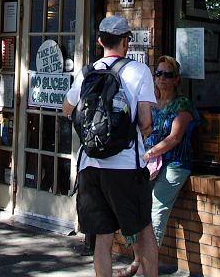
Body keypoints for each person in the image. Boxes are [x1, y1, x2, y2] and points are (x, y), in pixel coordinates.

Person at [63, 15, 158, 277]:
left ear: (100, 41)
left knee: (103, 239)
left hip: (90, 166)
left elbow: (66, 109)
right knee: (143, 231)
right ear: (127, 41)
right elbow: (146, 122)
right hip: (127, 166)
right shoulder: (139, 71)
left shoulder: (87, 72)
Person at [141, 57, 199, 256]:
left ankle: (148, 264)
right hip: (149, 164)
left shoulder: (182, 104)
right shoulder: (151, 101)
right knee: (136, 205)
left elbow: (174, 138)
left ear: (177, 79)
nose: (162, 78)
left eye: (168, 74)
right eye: (159, 74)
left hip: (174, 162)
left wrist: (149, 153)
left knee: (156, 210)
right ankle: (138, 257)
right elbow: (142, 129)